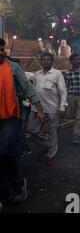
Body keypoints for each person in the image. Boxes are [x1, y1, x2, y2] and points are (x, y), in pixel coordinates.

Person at [0, 38, 45, 206]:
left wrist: (39, 110)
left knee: (6, 152)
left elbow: (29, 89)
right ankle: (5, 191)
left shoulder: (13, 68)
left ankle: (19, 186)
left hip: (10, 118)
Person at [28, 53, 67, 165]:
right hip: (37, 108)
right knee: (32, 129)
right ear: (41, 61)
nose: (46, 61)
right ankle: (46, 145)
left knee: (52, 132)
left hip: (52, 108)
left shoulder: (57, 74)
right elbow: (33, 90)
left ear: (52, 61)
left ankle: (51, 155)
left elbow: (63, 91)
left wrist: (62, 105)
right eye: (44, 60)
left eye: (48, 60)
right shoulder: (37, 74)